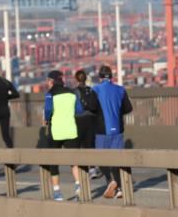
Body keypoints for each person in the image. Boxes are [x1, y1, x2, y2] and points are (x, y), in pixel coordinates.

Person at [43, 70, 84, 201]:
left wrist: (47, 119)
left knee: (54, 162)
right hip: (71, 130)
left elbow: (48, 110)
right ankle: (79, 188)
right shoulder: (72, 93)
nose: (47, 83)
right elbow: (79, 110)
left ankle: (57, 192)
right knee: (74, 161)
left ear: (51, 81)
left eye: (48, 80)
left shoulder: (50, 94)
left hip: (56, 132)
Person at [93, 65, 132, 199]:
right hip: (118, 129)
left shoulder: (96, 89)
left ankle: (111, 180)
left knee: (101, 159)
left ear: (100, 77)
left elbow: (92, 108)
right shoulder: (120, 90)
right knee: (117, 159)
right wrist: (117, 112)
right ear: (111, 76)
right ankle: (120, 188)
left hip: (101, 129)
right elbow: (128, 108)